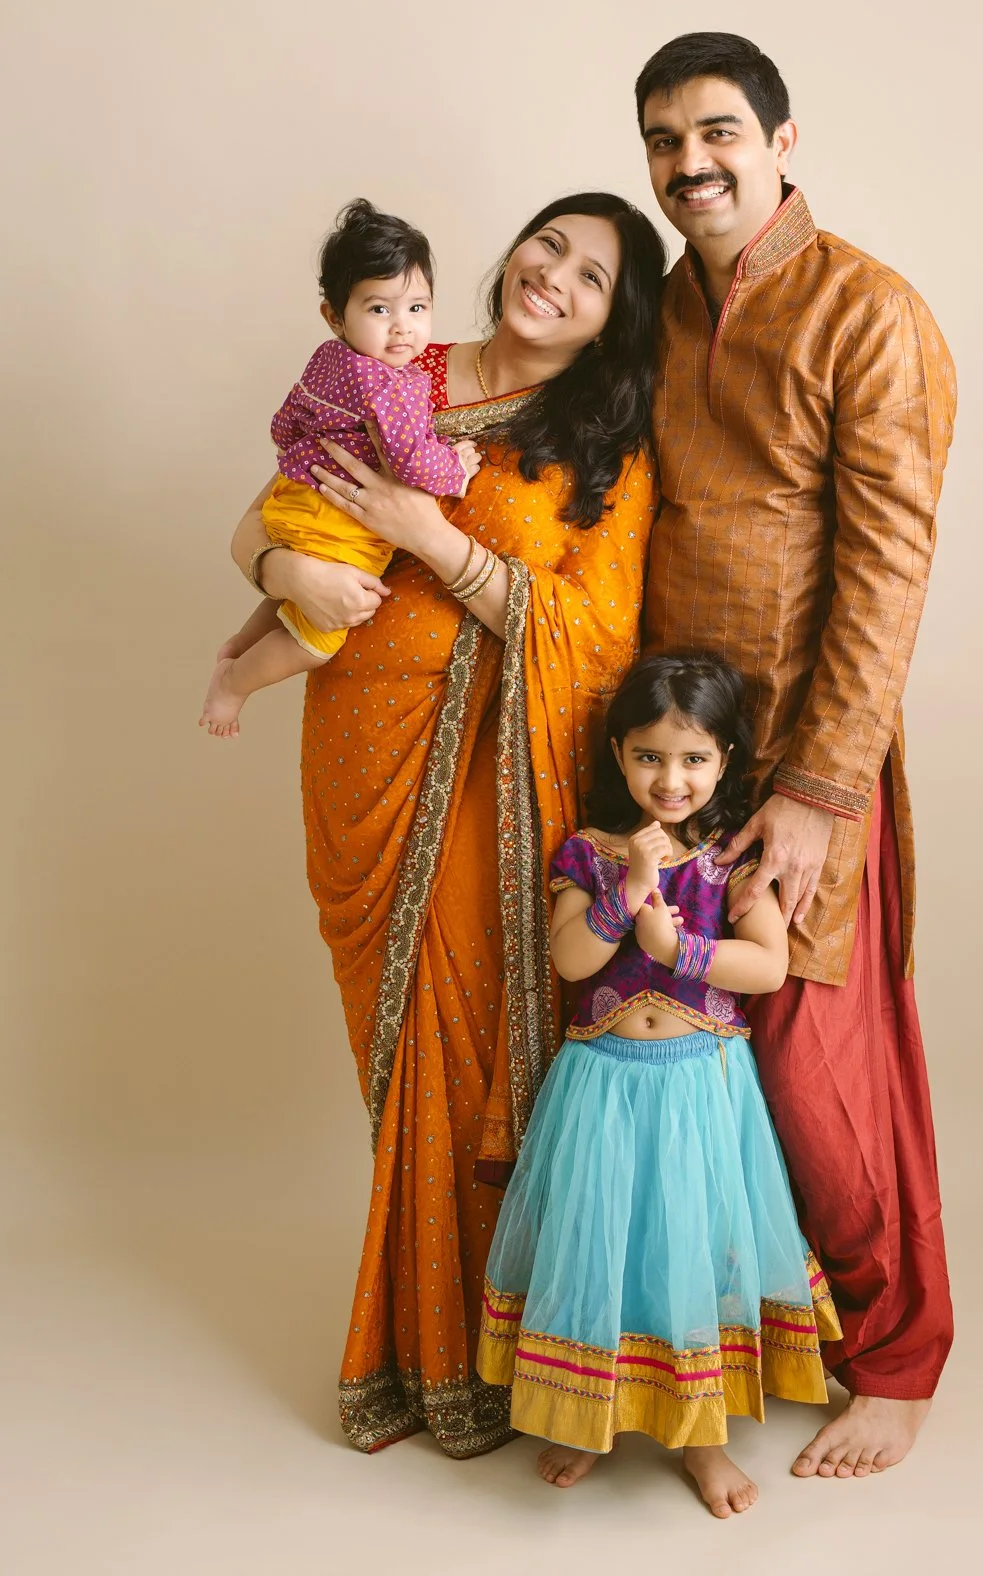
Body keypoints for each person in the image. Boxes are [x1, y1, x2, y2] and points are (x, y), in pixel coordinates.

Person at [228, 193, 666, 1457]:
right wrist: (278, 571)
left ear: (606, 327)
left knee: (465, 1056)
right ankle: (424, 1355)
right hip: (361, 763)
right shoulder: (392, 360)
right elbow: (269, 511)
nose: (556, 278)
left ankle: (483, 1360)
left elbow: (601, 638)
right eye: (549, 245)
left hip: (491, 789)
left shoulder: (605, 451)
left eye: (591, 279)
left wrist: (432, 537)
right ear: (511, 247)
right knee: (394, 1047)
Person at [636, 31, 957, 1478]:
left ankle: (897, 1362)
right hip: (664, 755)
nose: (688, 161)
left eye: (716, 131)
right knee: (680, 1051)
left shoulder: (868, 312)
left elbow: (889, 572)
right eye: (661, 137)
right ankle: (744, 1344)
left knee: (821, 1067)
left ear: (782, 139)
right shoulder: (653, 307)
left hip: (802, 764)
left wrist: (824, 794)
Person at [477, 653, 841, 1519]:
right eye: (649, 756)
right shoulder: (591, 851)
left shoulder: (731, 857)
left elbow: (769, 967)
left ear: (724, 761)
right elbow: (571, 959)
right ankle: (582, 1413)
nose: (670, 779)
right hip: (601, 1087)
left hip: (700, 1090)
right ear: (618, 754)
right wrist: (630, 889)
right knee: (594, 1241)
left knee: (691, 1245)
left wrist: (682, 951)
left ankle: (701, 1439)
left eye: (692, 759)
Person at [200, 199, 479, 738]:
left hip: (292, 499)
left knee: (296, 591)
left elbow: (284, 425)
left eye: (417, 308)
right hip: (336, 525)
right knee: (317, 639)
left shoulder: (328, 360)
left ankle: (238, 642)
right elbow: (410, 460)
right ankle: (234, 682)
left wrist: (304, 461)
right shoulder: (387, 384)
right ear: (335, 314)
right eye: (380, 310)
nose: (403, 329)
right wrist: (455, 469)